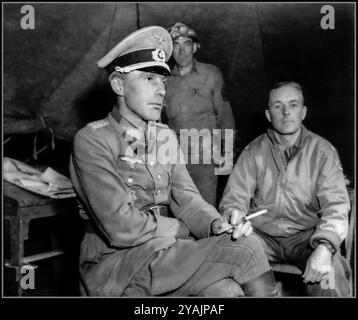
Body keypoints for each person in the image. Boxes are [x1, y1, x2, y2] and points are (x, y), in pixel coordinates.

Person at [69, 26, 278, 297]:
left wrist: (217, 224)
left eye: (163, 81)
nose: (160, 91)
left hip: (164, 253)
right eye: (148, 79)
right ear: (118, 85)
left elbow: (188, 199)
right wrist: (180, 227)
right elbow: (122, 227)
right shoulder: (92, 140)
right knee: (249, 249)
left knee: (225, 291)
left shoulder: (164, 136)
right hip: (117, 265)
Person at [219, 81, 352, 296]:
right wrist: (234, 214)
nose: (286, 112)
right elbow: (234, 198)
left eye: (293, 104)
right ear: (268, 114)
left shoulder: (323, 151)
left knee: (331, 277)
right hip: (261, 237)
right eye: (277, 105)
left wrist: (325, 247)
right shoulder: (253, 152)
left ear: (304, 112)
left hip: (307, 237)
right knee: (224, 275)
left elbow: (336, 206)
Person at [162, 22, 236, 206]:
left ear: (195, 47)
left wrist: (226, 156)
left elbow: (225, 117)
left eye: (187, 44)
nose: (182, 51)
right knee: (180, 211)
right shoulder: (163, 81)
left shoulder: (211, 74)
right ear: (170, 51)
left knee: (206, 211)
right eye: (176, 46)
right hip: (176, 160)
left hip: (206, 159)